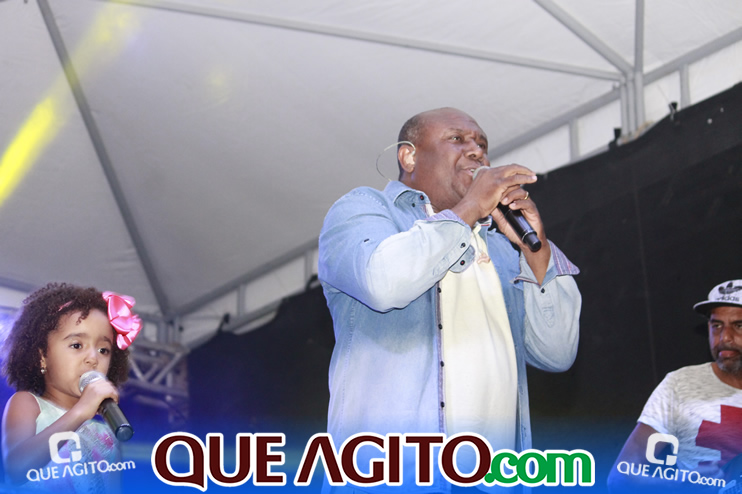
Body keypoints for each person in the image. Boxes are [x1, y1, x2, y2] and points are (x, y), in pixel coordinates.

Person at [318, 107, 581, 491]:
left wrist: (536, 253)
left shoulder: (503, 250)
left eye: (482, 144)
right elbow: (383, 282)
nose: (476, 151)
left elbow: (558, 353)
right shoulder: (366, 210)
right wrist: (470, 207)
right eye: (457, 139)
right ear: (408, 156)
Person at [1, 282, 141, 493]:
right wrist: (80, 412)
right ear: (42, 356)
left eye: (103, 350)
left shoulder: (108, 434)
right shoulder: (28, 404)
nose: (93, 358)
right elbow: (16, 469)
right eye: (77, 345)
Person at [607, 279, 742, 493]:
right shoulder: (680, 384)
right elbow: (620, 478)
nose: (725, 337)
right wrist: (681, 484)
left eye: (739, 326)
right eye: (716, 326)